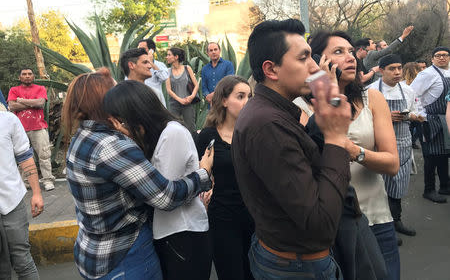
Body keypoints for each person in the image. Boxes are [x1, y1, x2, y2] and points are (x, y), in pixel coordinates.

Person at [62, 68, 213, 279]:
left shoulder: (82, 137)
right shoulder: (113, 146)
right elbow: (165, 196)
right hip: (124, 253)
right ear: (103, 103)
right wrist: (203, 175)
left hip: (92, 249)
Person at [232, 19, 353, 279]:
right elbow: (321, 225)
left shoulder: (273, 113)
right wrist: (335, 138)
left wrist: (322, 123)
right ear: (271, 70)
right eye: (304, 58)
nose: (314, 67)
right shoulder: (268, 125)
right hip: (297, 268)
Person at [309, 31, 400, 280]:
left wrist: (353, 151)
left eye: (351, 51)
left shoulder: (372, 98)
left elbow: (392, 163)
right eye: (338, 52)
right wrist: (325, 89)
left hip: (377, 218)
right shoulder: (303, 107)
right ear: (319, 61)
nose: (350, 57)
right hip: (336, 227)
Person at [103, 80, 212, 280]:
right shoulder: (156, 136)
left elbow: (161, 196)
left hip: (182, 235)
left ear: (137, 113)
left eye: (122, 122)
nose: (119, 129)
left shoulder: (172, 134)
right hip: (169, 233)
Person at [196, 75, 254, 280]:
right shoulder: (207, 136)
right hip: (223, 218)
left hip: (256, 218)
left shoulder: (254, 132)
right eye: (240, 96)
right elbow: (199, 174)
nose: (247, 102)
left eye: (249, 96)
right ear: (223, 100)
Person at [368, 55, 424, 237]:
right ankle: (382, 227)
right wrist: (384, 116)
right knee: (380, 185)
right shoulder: (370, 91)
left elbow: (417, 110)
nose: (397, 72)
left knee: (398, 184)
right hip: (378, 144)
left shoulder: (407, 91)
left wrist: (413, 116)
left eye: (399, 68)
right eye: (392, 68)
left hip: (402, 141)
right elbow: (361, 119)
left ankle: (396, 220)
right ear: (381, 70)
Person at [0, 110, 44, 279]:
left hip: (12, 202)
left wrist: (37, 193)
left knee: (23, 261)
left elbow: (24, 156)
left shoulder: (9, 120)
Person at [410, 46, 450, 203]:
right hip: (429, 120)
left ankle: (445, 186)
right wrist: (421, 114)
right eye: (438, 55)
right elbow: (412, 94)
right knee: (430, 155)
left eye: (445, 55)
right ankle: (429, 189)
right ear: (432, 59)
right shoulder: (427, 74)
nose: (442, 58)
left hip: (445, 118)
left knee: (443, 154)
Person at [7, 68, 56, 191]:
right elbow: (12, 106)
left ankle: (48, 180)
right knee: (23, 157)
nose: (27, 76)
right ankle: (25, 183)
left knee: (44, 155)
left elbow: (40, 103)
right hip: (20, 130)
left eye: (30, 74)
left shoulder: (40, 88)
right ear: (20, 77)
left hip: (38, 127)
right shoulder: (14, 90)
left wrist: (21, 100)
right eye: (24, 74)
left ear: (33, 76)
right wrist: (31, 103)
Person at [165, 47, 199, 134]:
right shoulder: (168, 71)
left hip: (188, 103)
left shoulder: (187, 68)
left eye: (169, 55)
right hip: (174, 105)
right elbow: (168, 90)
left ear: (176, 57)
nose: (166, 57)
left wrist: (191, 97)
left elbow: (196, 85)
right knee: (174, 128)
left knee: (190, 128)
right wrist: (180, 100)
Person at [137, 38, 169, 107]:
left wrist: (151, 63)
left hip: (156, 103)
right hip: (141, 103)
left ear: (151, 50)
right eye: (139, 49)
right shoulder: (135, 65)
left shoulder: (160, 65)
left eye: (143, 49)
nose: (140, 51)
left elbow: (164, 77)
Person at [402, 62, 422, 149]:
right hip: (418, 113)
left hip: (407, 113)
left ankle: (411, 143)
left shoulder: (400, 84)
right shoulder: (420, 83)